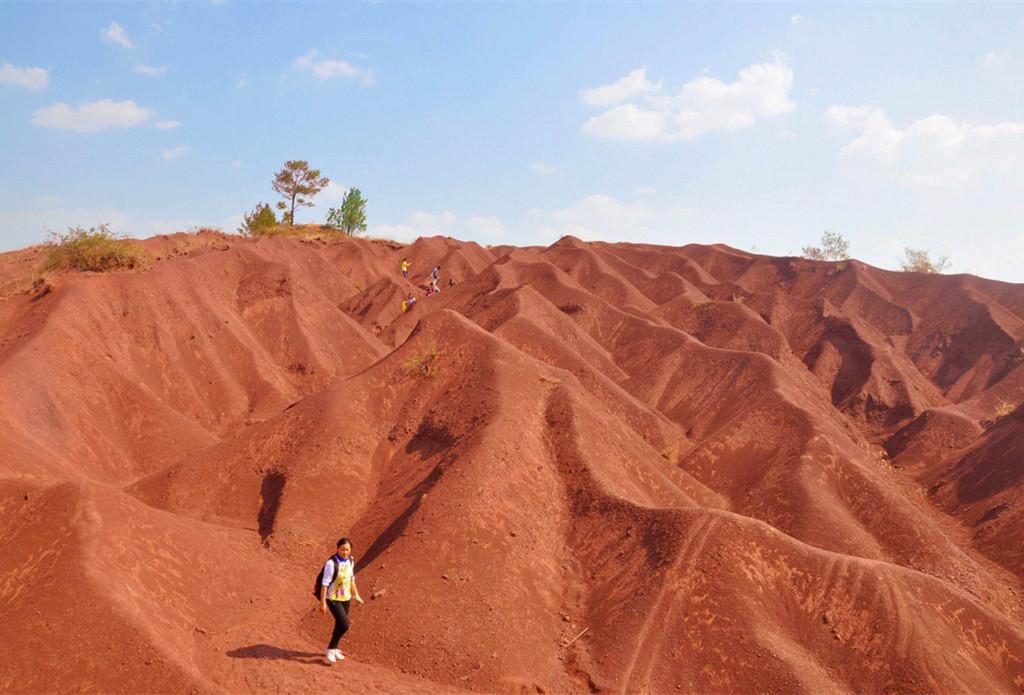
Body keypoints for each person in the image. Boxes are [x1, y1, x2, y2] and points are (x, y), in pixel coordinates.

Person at [320, 537, 364, 664]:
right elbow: (324, 585)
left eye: (347, 549)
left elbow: (351, 579)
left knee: (340, 624)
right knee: (344, 625)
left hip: (346, 597)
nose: (345, 552)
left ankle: (334, 649)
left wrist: (356, 594)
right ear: (337, 549)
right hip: (333, 598)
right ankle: (330, 648)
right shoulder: (331, 563)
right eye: (342, 549)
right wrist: (323, 603)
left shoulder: (350, 560)